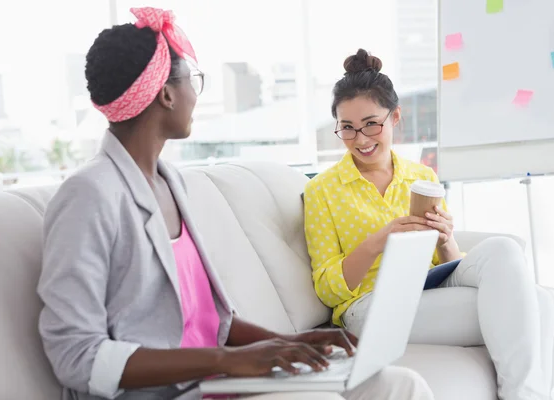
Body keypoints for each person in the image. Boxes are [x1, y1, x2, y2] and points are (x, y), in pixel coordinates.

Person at [37, 9, 434, 400]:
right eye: (193, 79)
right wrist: (229, 360)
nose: (196, 92)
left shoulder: (170, 182)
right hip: (174, 391)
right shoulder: (89, 196)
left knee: (401, 385)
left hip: (221, 380)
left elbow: (210, 321)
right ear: (167, 93)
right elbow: (77, 356)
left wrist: (292, 343)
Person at [303, 48, 554, 400]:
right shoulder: (321, 190)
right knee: (540, 306)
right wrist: (380, 240)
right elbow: (327, 289)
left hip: (429, 288)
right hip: (370, 306)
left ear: (395, 117)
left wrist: (444, 240)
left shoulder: (420, 176)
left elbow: (448, 262)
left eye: (371, 124)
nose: (361, 139)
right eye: (347, 128)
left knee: (505, 249)